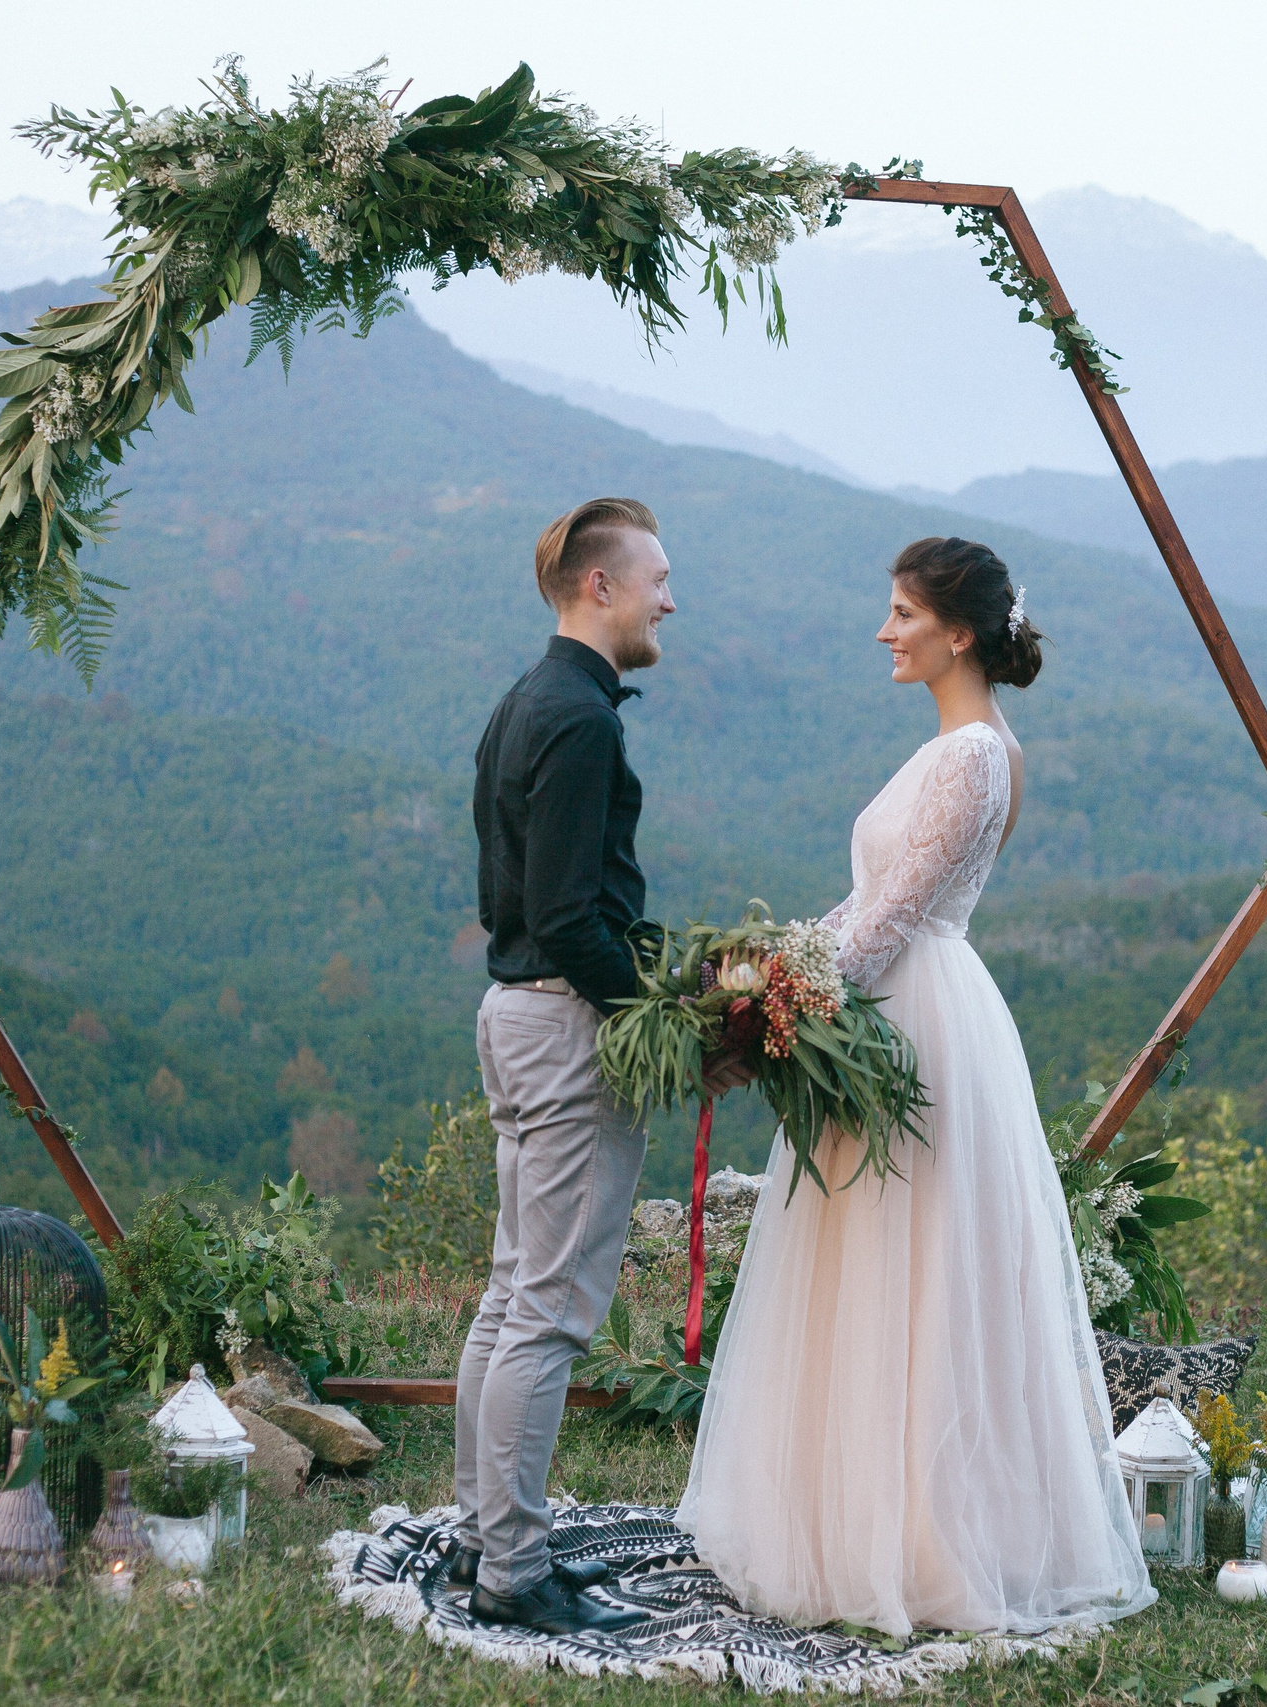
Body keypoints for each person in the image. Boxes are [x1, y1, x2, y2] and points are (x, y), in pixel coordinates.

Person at [678, 537, 1155, 1637]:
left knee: (918, 1271)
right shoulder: (957, 745)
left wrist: (767, 1010)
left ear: (954, 633)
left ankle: (925, 1540)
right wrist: (765, 972)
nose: (884, 631)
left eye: (900, 613)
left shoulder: (975, 755)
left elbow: (893, 920)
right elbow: (865, 908)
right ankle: (853, 1518)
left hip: (916, 1023)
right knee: (865, 1266)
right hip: (883, 998)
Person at [453, 496, 745, 1637]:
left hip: (515, 1014)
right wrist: (672, 1025)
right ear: (600, 589)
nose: (672, 596)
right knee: (553, 1313)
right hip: (569, 1023)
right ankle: (515, 1573)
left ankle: (489, 1534)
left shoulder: (528, 701)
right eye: (659, 577)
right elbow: (574, 918)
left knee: (510, 1294)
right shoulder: (578, 722)